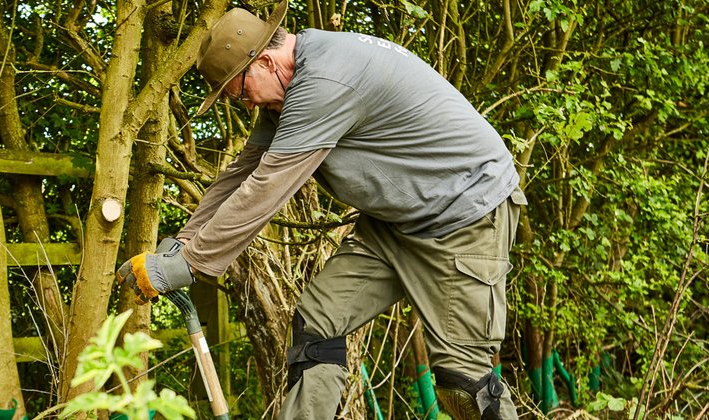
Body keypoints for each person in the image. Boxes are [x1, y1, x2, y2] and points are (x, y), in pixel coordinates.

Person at [116, 1, 526, 418]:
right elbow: (243, 171)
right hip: (395, 225)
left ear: (266, 62)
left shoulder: (324, 81)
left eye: (239, 91)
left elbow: (267, 187)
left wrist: (194, 262)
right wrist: (184, 243)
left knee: (464, 385)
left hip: (465, 215)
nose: (245, 104)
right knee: (317, 327)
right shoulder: (291, 86)